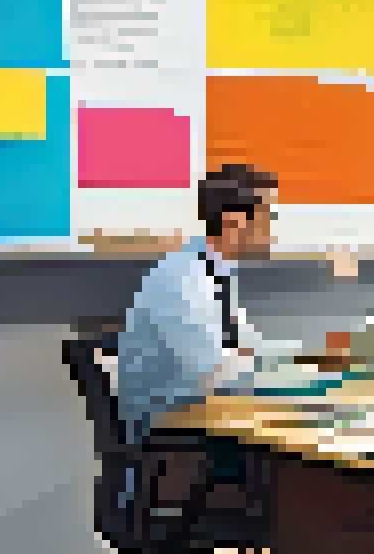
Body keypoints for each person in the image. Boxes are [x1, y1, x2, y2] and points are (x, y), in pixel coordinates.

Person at [115, 165, 287, 490]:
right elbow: (214, 374)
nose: (273, 229)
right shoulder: (184, 279)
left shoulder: (214, 271)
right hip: (175, 452)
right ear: (235, 222)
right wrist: (282, 374)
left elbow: (249, 347)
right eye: (268, 217)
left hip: (203, 432)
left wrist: (310, 363)